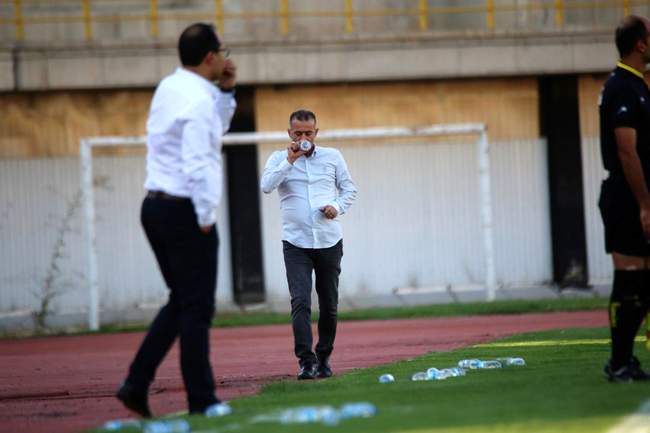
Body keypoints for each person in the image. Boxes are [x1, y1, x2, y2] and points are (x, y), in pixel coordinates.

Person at [116, 22, 237, 416]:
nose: (226, 58)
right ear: (210, 57)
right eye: (223, 52)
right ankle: (202, 400)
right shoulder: (198, 101)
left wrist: (227, 93)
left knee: (182, 301)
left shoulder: (170, 87)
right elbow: (199, 160)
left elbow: (216, 128)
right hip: (184, 209)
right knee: (197, 307)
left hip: (154, 207)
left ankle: (136, 383)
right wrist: (206, 215)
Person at [260, 110, 357, 380]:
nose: (304, 137)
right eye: (298, 133)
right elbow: (266, 186)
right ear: (290, 133)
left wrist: (336, 207)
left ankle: (324, 357)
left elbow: (349, 189)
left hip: (328, 240)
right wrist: (289, 161)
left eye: (308, 133)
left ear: (316, 132)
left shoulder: (332, 156)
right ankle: (306, 361)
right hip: (296, 242)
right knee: (300, 301)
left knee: (329, 304)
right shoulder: (278, 159)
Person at [599, 15, 650, 382]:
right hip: (626, 196)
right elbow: (626, 151)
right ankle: (619, 362)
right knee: (629, 280)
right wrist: (644, 203)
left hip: (637, 194)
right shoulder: (621, 87)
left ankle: (624, 359)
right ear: (640, 44)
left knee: (643, 283)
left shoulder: (638, 85)